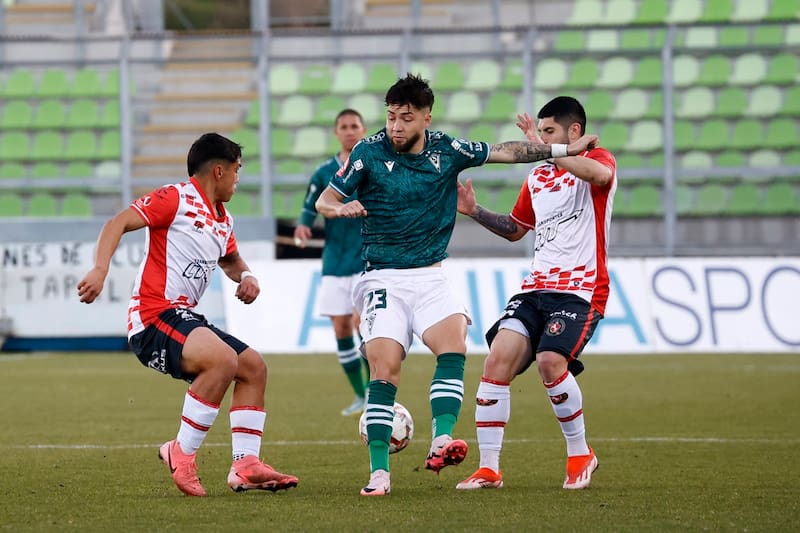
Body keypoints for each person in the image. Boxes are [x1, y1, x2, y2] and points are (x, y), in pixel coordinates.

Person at [315, 74, 598, 496]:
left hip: (432, 274)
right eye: (391, 117)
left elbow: (507, 152)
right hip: (383, 277)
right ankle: (379, 474)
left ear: (426, 118)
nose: (395, 127)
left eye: (405, 119)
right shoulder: (367, 153)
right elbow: (325, 199)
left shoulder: (447, 149)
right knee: (386, 369)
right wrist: (339, 209)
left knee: (454, 345)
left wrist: (563, 150)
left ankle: (442, 439)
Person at [76, 133, 298, 497]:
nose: (239, 179)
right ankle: (181, 452)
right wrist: (100, 269)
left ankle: (245, 465)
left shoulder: (222, 219)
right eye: (238, 171)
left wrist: (247, 275)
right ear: (219, 170)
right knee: (223, 361)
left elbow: (230, 259)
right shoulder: (175, 198)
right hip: (153, 316)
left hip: (183, 316)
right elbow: (117, 223)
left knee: (253, 367)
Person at [454, 96, 616, 491]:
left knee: (548, 361)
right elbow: (516, 228)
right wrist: (475, 211)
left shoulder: (600, 159)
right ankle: (489, 468)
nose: (541, 141)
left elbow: (598, 178)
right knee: (497, 360)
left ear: (573, 132)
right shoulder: (539, 177)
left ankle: (581, 454)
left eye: (549, 133)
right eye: (539, 133)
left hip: (580, 289)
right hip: (535, 288)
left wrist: (556, 153)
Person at [293, 109, 369, 417]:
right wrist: (302, 225)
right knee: (341, 328)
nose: (350, 131)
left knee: (362, 324)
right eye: (344, 127)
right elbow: (309, 207)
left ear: (363, 130)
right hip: (335, 261)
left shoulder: (371, 164)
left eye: (355, 126)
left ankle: (378, 390)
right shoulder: (324, 172)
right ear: (336, 133)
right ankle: (360, 395)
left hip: (367, 259)